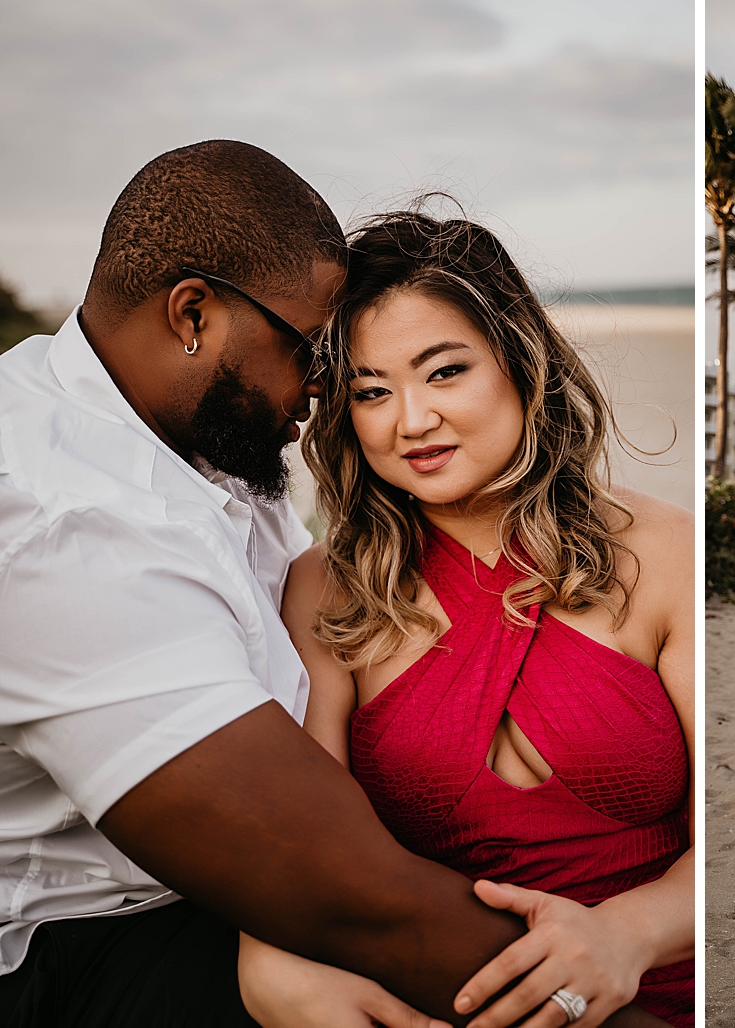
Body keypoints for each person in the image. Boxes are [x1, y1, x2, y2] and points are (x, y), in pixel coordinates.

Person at [0, 141, 664, 1028]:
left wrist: (634, 932)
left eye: (445, 369)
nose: (321, 391)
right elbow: (338, 884)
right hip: (81, 942)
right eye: (328, 360)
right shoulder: (63, 518)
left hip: (246, 897)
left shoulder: (205, 446)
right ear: (192, 315)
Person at [237, 211, 694, 1028]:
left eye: (443, 372)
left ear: (519, 361)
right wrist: (274, 972)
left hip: (655, 994)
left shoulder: (662, 555)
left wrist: (629, 932)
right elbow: (296, 852)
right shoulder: (327, 589)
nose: (409, 421)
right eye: (371, 390)